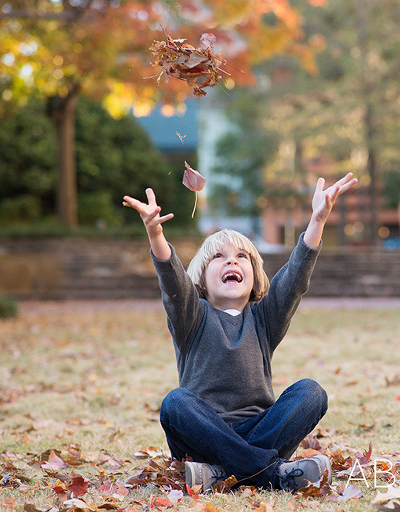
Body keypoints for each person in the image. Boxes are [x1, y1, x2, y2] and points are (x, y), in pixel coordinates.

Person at [123, 173, 358, 493]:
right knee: (175, 402)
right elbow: (173, 283)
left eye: (241, 256)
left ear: (254, 276)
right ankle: (271, 474)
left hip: (262, 432)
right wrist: (155, 234)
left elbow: (294, 282)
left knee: (311, 392)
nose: (231, 260)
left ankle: (219, 474)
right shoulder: (192, 316)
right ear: (202, 280)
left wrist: (317, 220)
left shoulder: (265, 318)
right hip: (202, 435)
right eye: (218, 257)